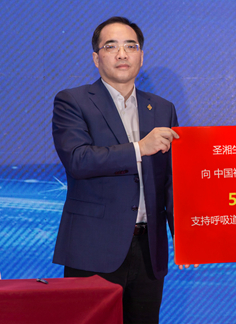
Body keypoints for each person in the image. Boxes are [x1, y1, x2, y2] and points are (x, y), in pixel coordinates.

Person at [52, 16, 183, 323]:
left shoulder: (162, 108)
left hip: (149, 250)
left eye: (130, 46)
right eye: (111, 46)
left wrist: (186, 237)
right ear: (96, 58)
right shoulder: (73, 101)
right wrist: (139, 148)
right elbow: (79, 160)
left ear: (141, 56)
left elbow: (171, 180)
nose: (122, 54)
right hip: (93, 248)